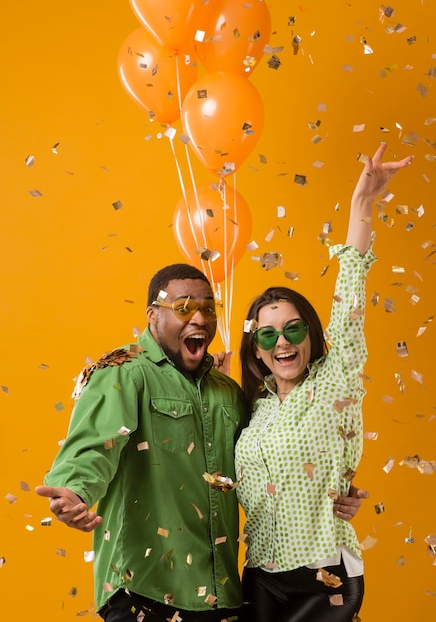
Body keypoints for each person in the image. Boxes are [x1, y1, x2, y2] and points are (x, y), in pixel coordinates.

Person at [35, 264, 367, 621]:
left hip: (220, 597)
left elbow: (267, 459)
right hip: (144, 589)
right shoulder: (123, 372)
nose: (198, 318)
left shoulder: (228, 393)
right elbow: (93, 447)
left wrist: (333, 488)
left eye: (208, 309)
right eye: (183, 307)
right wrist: (76, 490)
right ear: (152, 315)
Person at [234, 142, 413, 622]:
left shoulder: (335, 379)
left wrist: (362, 206)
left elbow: (350, 298)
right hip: (258, 576)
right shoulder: (254, 407)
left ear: (310, 334)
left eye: (293, 329)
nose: (282, 343)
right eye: (267, 335)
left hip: (324, 573)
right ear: (256, 349)